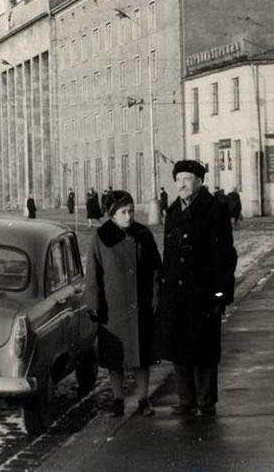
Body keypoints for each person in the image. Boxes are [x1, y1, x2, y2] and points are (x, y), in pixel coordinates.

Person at [157, 160, 237, 418]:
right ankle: (186, 400)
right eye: (178, 179)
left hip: (204, 294)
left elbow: (225, 256)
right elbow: (169, 256)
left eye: (187, 178)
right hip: (177, 295)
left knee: (204, 349)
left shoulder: (214, 210)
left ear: (199, 181)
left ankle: (206, 401)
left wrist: (219, 296)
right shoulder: (173, 211)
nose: (181, 184)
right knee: (179, 348)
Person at [85, 190, 162, 417]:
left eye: (131, 211)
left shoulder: (143, 234)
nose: (128, 216)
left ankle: (143, 399)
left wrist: (156, 298)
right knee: (115, 358)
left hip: (141, 306)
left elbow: (156, 270)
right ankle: (118, 399)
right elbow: (92, 276)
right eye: (123, 212)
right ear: (112, 214)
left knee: (142, 357)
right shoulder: (101, 237)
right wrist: (94, 305)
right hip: (113, 308)